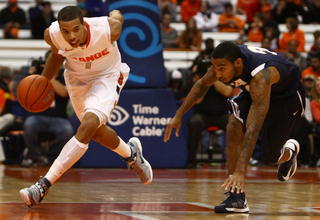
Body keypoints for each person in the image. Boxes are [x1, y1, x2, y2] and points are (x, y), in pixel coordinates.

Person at [19, 6, 153, 208]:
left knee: (89, 124)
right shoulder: (52, 35)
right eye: (66, 31)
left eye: (75, 29)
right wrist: (43, 82)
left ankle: (43, 185)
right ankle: (131, 154)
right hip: (76, 79)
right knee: (96, 133)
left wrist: (115, 13)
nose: (70, 36)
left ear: (84, 24)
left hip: (106, 76)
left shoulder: (107, 29)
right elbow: (57, 56)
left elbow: (116, 18)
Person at [164, 41, 305, 213]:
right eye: (215, 68)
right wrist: (178, 115)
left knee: (270, 158)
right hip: (253, 90)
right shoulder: (225, 61)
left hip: (286, 98)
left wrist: (240, 171)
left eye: (221, 68)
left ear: (238, 63)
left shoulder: (261, 76)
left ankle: (290, 151)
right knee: (233, 127)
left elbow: (253, 129)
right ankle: (236, 197)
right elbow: (202, 84)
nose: (217, 73)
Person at [21, 51, 74, 168]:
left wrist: (47, 76)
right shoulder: (36, 77)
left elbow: (64, 92)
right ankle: (31, 156)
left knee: (67, 131)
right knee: (29, 125)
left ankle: (49, 157)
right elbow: (26, 93)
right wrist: (31, 76)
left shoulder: (65, 76)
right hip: (37, 116)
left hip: (59, 118)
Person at [186, 60, 233, 168]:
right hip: (203, 115)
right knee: (194, 122)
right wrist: (204, 82)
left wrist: (214, 79)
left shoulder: (223, 77)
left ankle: (234, 161)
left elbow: (227, 92)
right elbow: (198, 101)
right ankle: (191, 160)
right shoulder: (198, 82)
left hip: (221, 115)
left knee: (235, 124)